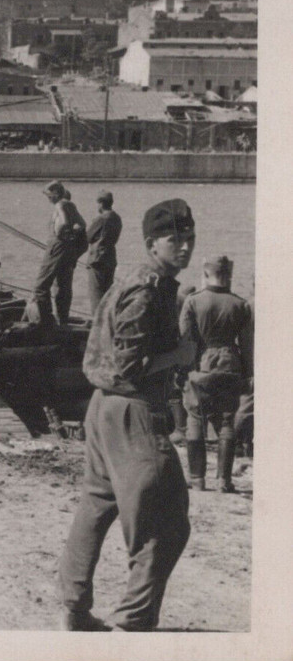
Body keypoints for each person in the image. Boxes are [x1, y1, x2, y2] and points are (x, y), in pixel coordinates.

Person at [58, 199, 197, 632]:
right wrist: (181, 354)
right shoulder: (148, 289)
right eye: (174, 239)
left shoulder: (133, 278)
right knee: (166, 524)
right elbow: (129, 365)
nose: (185, 247)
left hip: (103, 408)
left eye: (189, 238)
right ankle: (132, 623)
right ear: (152, 243)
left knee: (96, 507)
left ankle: (73, 609)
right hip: (132, 412)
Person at [180, 256, 253, 493]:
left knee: (194, 417)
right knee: (226, 421)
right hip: (230, 365)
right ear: (229, 275)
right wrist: (248, 374)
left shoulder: (193, 301)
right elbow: (247, 344)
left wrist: (183, 369)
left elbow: (185, 339)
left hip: (201, 365)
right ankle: (223, 481)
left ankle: (197, 479)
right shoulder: (241, 304)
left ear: (205, 273)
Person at [31, 181, 87, 328]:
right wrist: (72, 234)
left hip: (57, 245)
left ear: (55, 194)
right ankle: (63, 320)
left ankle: (46, 322)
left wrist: (60, 233)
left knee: (40, 286)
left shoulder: (60, 205)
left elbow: (64, 222)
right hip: (68, 248)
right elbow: (82, 224)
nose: (48, 198)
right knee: (63, 285)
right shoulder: (70, 204)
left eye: (49, 195)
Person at [86, 190, 122, 311]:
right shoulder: (117, 218)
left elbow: (88, 237)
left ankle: (97, 320)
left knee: (96, 295)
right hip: (110, 259)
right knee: (107, 295)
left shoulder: (101, 219)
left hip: (97, 260)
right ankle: (106, 319)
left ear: (101, 203)